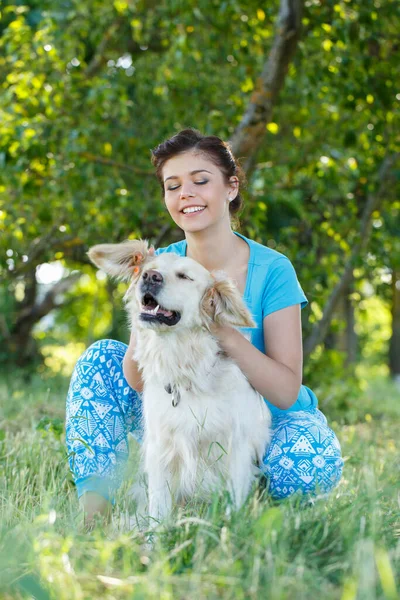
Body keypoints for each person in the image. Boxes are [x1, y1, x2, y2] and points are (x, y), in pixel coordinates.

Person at [65, 128, 343, 523]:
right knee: (99, 360)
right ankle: (95, 519)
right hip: (179, 409)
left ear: (230, 188)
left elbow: (284, 392)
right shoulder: (159, 267)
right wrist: (145, 317)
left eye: (200, 181)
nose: (185, 194)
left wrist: (223, 330)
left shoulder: (274, 270)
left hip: (269, 420)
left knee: (306, 463)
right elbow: (138, 380)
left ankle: (263, 516)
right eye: (172, 185)